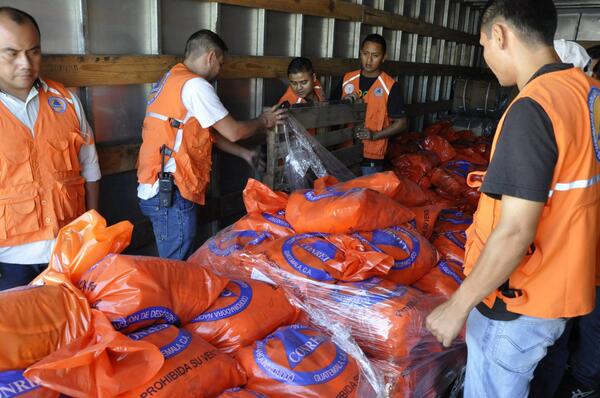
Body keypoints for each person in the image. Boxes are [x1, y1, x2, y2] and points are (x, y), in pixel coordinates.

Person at [424, 1, 600, 398]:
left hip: (518, 300)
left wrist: (457, 306)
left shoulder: (533, 108)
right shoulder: (588, 94)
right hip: (563, 290)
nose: (485, 58)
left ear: (499, 35)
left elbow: (516, 229)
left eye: (483, 44)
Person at [137, 29, 285, 260]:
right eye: (221, 63)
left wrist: (244, 154)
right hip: (172, 193)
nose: (220, 70)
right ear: (211, 57)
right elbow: (234, 131)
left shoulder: (170, 80)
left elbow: (203, 134)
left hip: (157, 187)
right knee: (176, 266)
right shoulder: (196, 86)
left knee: (173, 262)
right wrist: (264, 121)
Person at [0, 7, 100, 291]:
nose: (25, 63)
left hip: (67, 252)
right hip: (8, 263)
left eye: (33, 51)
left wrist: (89, 235)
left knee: (72, 328)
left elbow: (91, 171)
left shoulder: (66, 100)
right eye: (11, 53)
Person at [529, 43, 600, 398]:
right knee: (577, 326)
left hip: (564, 255)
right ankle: (580, 382)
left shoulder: (550, 107)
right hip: (578, 249)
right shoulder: (589, 105)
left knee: (568, 329)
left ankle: (580, 382)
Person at [332, 34, 407, 176]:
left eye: (375, 55)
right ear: (360, 53)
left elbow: (401, 123)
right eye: (365, 54)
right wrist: (344, 104)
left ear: (384, 57)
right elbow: (331, 111)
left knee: (367, 195)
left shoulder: (390, 86)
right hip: (344, 151)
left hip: (372, 155)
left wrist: (374, 135)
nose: (369, 60)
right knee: (344, 195)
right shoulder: (347, 79)